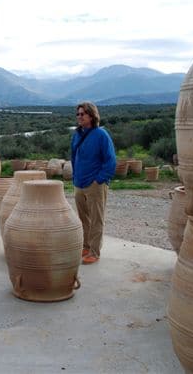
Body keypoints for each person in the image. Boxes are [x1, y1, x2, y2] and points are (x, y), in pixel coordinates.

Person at [71, 101, 116, 264]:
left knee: (96, 219)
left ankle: (94, 252)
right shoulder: (77, 135)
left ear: (92, 115)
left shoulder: (101, 135)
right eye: (77, 114)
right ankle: (86, 245)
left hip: (95, 184)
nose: (79, 117)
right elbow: (73, 157)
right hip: (79, 183)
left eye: (82, 114)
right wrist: (75, 176)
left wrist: (100, 180)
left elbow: (110, 160)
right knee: (83, 218)